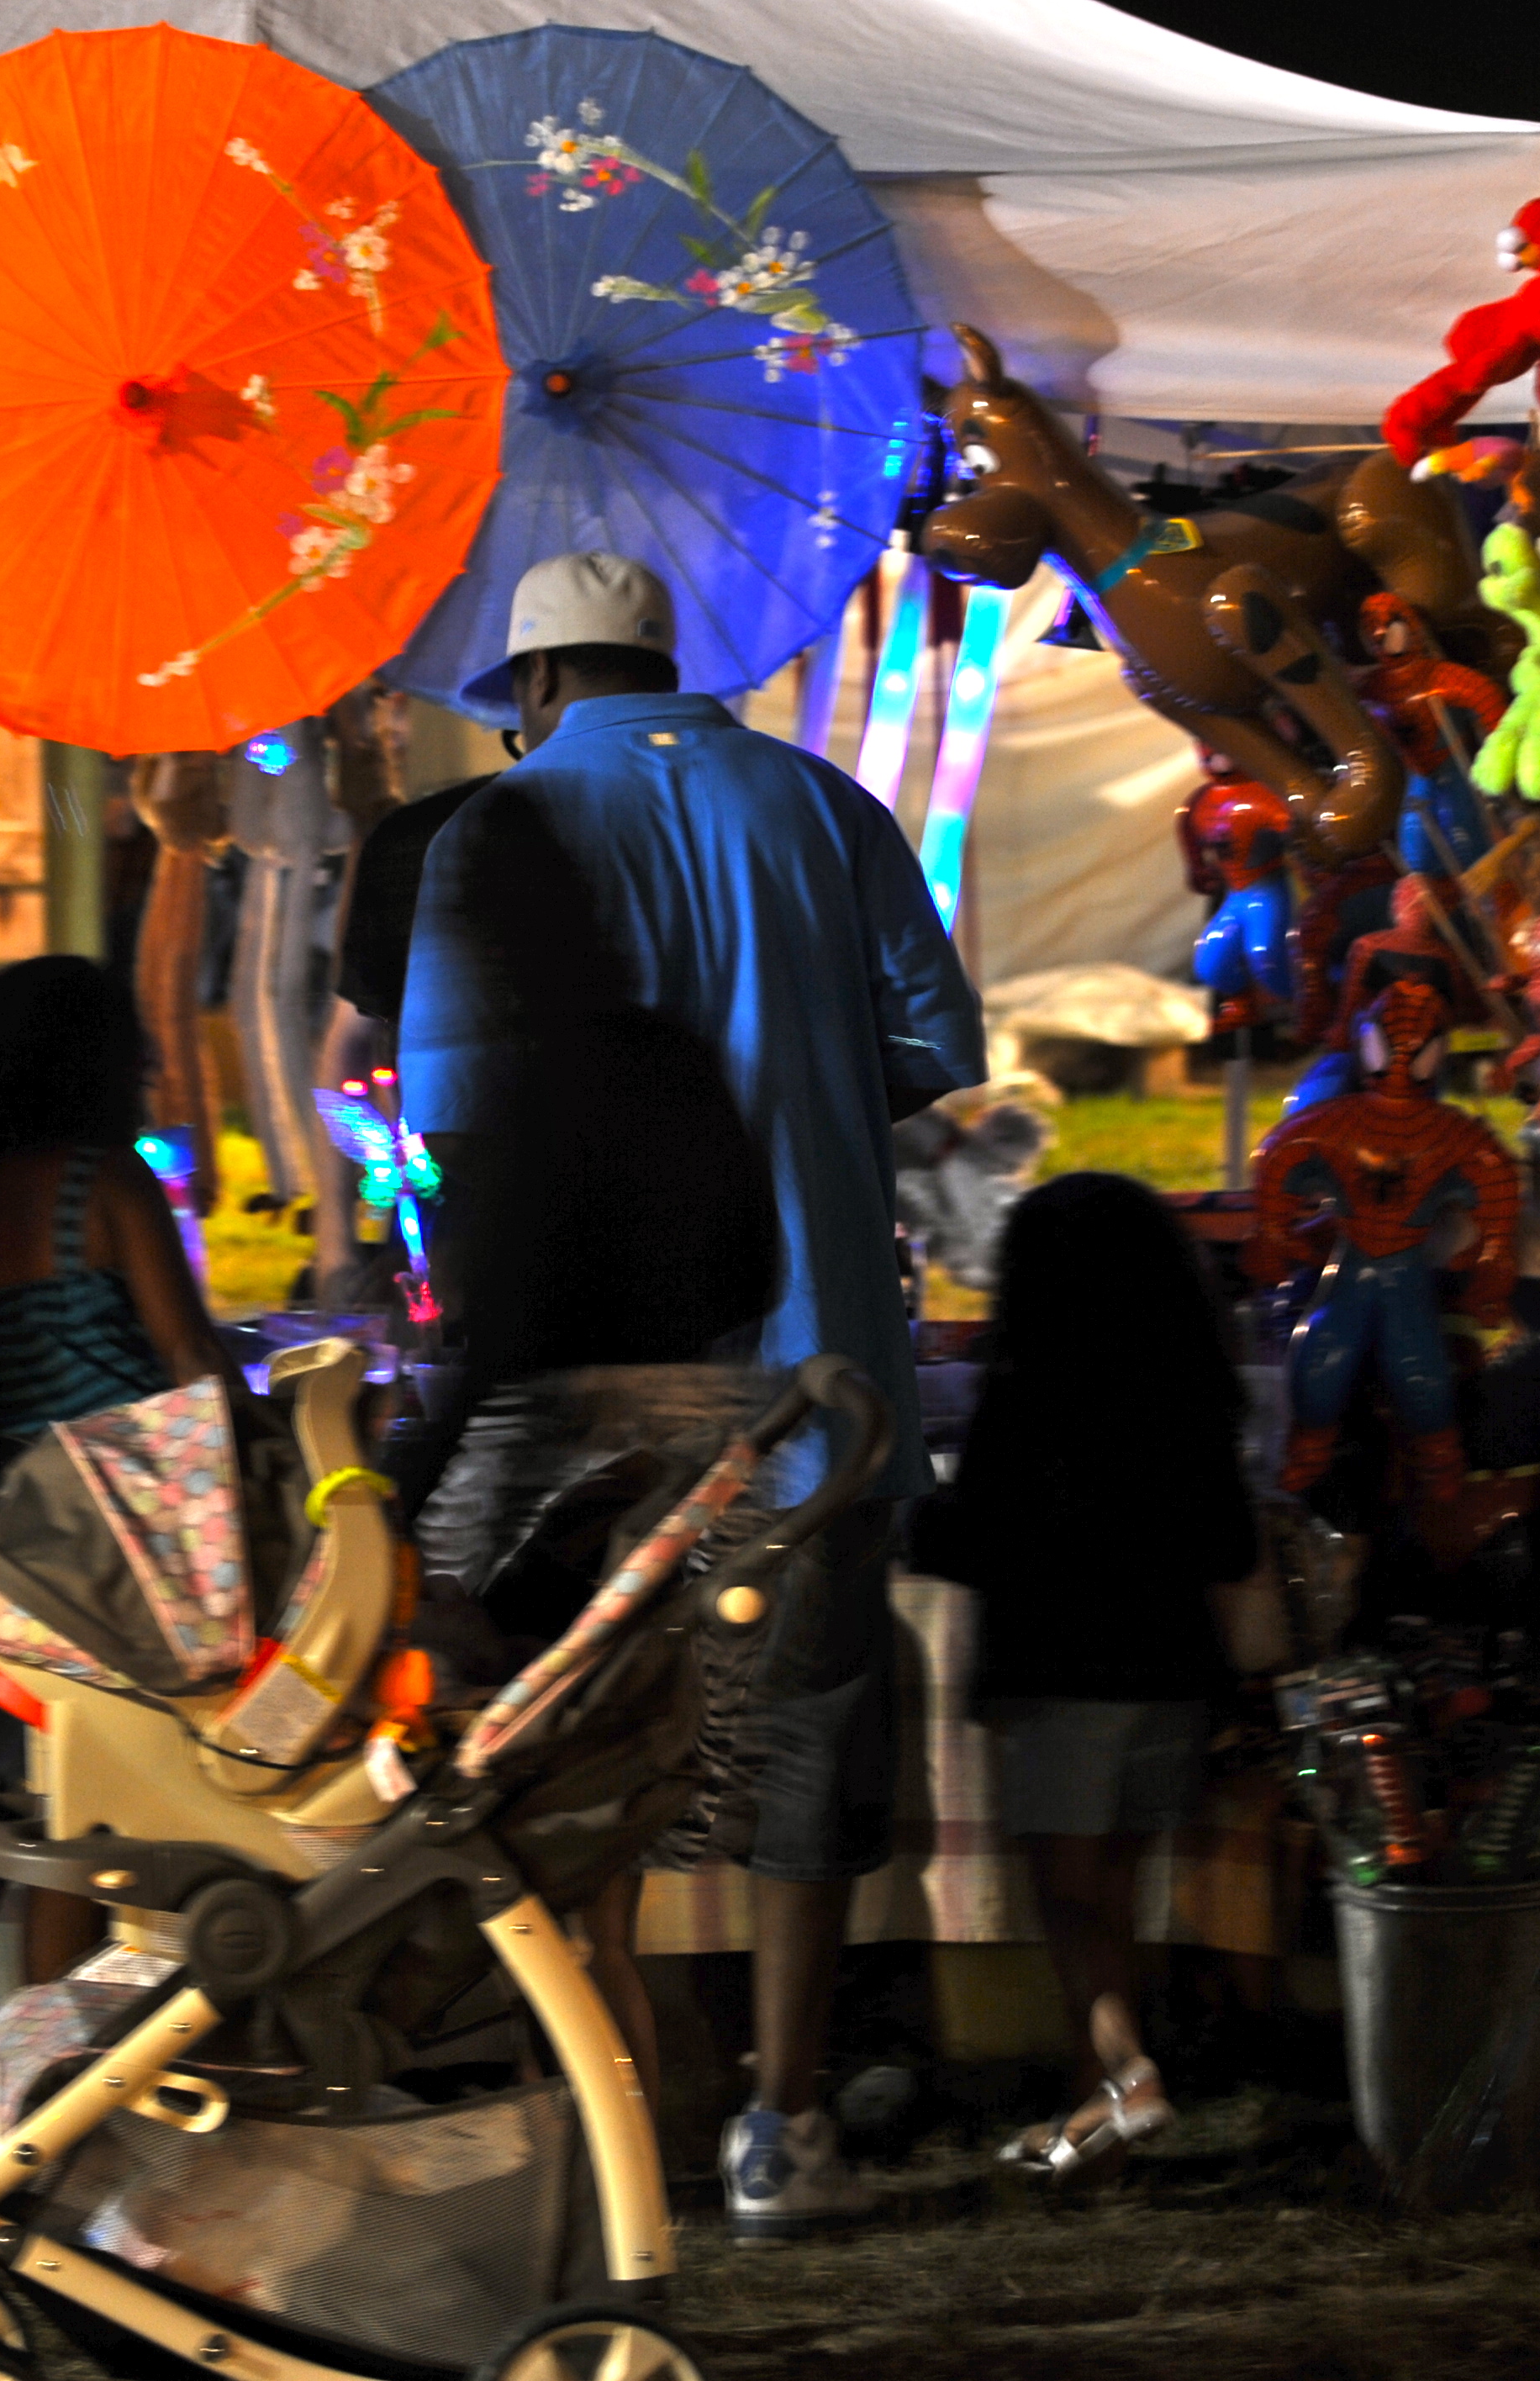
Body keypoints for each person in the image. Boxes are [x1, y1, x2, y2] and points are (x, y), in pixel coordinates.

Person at [398, 551, 983, 2239]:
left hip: (588, 1378)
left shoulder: (496, 833)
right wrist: (797, 1082)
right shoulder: (817, 804)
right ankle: (783, 2125)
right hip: (814, 1379)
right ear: (663, 661)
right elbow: (938, 1053)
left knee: (578, 1755)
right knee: (801, 1738)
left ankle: (625, 2112)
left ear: (530, 689)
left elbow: (450, 1121)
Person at [912, 1172, 1264, 2178]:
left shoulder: (1027, 1389)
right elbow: (1229, 1545)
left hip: (1058, 1675)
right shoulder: (1189, 1390)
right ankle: (1089, 2109)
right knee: (1112, 1895)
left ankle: (1122, 2074)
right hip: (1168, 1677)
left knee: (1071, 1909)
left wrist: (909, 1514)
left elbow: (971, 1536)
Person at [0, 955, 227, 1972]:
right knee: (114, 1802)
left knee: (58, 1791)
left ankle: (40, 2038)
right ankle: (82, 2040)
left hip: (2, 1537)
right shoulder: (102, 1181)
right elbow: (190, 1365)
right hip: (119, 1527)